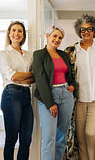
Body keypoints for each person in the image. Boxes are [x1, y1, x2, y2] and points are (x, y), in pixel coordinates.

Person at [65, 14, 95, 160]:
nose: (86, 32)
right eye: (82, 29)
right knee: (79, 136)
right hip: (78, 100)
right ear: (79, 32)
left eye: (89, 29)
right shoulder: (70, 52)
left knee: (92, 134)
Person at [32, 25, 76, 160]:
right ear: (47, 36)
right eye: (54, 36)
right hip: (48, 96)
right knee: (49, 136)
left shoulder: (63, 54)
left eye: (60, 37)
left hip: (66, 95)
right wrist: (50, 103)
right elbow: (40, 79)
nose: (57, 39)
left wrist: (72, 85)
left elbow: (70, 74)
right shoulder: (39, 54)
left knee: (62, 135)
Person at [0, 21, 34, 160]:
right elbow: (13, 76)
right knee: (12, 139)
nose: (16, 33)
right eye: (14, 30)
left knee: (26, 140)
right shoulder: (4, 53)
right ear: (9, 33)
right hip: (11, 95)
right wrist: (27, 75)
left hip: (26, 95)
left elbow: (35, 77)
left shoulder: (28, 54)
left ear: (23, 35)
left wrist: (22, 76)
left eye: (20, 31)